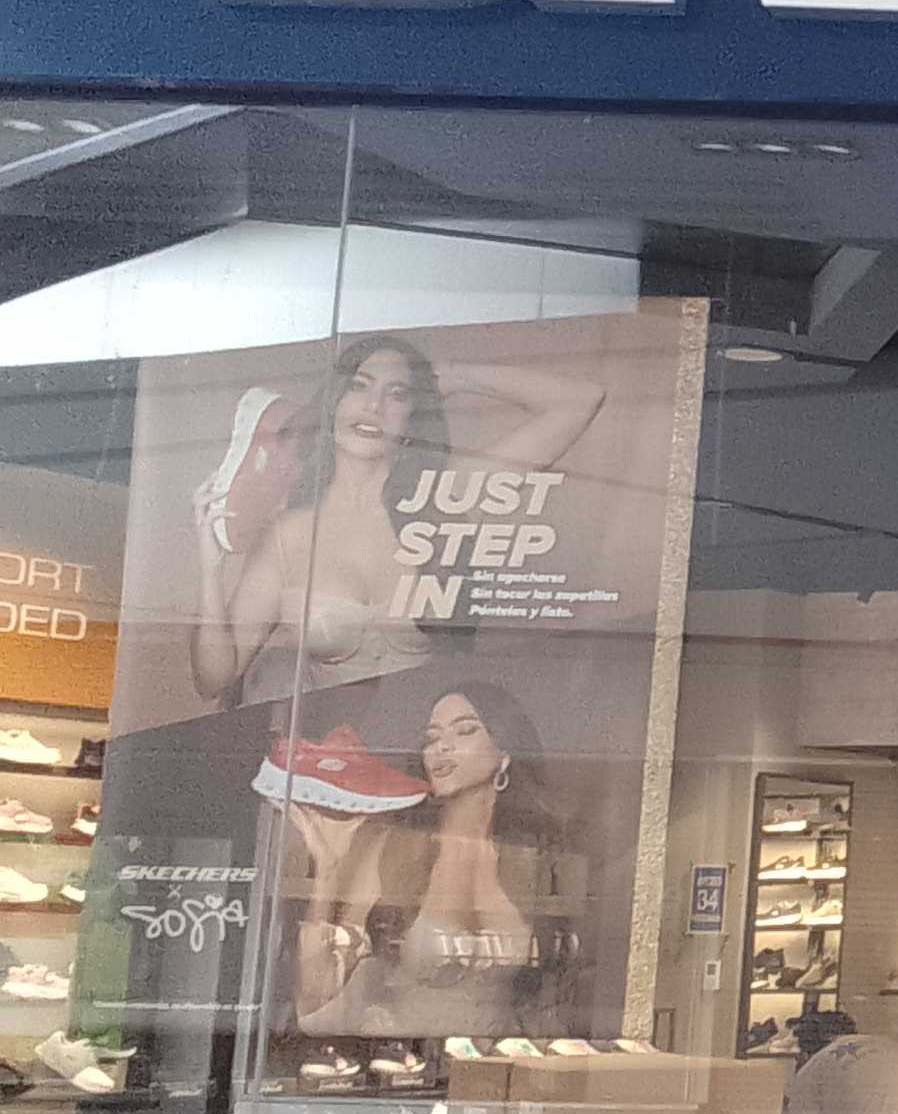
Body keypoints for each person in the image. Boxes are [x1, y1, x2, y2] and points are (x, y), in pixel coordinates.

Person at [190, 336, 605, 706]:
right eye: (359, 386)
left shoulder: (447, 496)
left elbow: (581, 401)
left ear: (412, 418)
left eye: (397, 394)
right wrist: (210, 569)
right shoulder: (288, 537)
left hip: (426, 747)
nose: (374, 406)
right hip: (331, 751)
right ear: (333, 403)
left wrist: (453, 376)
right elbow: (214, 679)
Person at [279, 681, 585, 1038]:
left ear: (505, 754)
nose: (442, 747)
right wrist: (328, 874)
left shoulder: (531, 859)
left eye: (465, 731)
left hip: (495, 1062)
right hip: (401, 1057)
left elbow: (557, 987)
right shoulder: (392, 848)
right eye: (431, 738)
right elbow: (317, 1000)